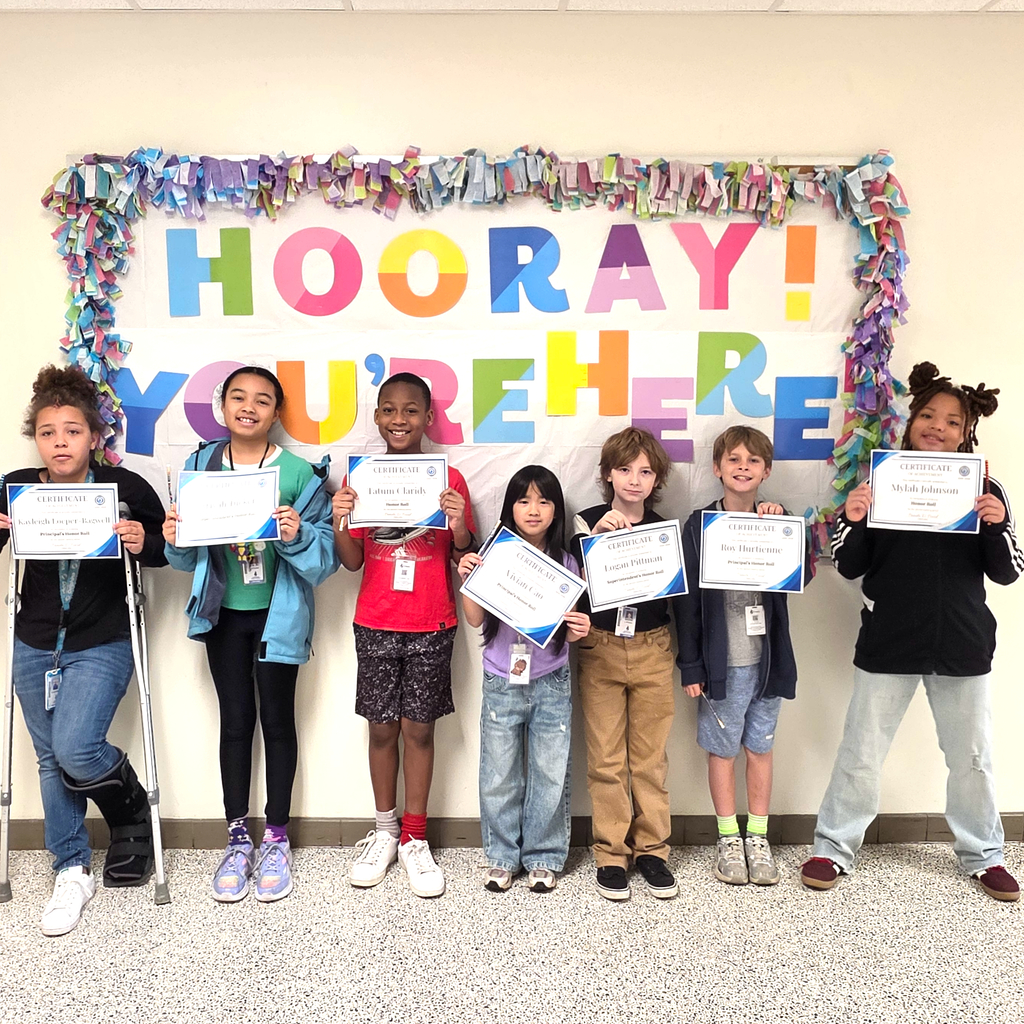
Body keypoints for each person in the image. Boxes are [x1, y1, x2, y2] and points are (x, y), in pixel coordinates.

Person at [801, 362, 1022, 902]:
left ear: (966, 432)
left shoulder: (986, 488)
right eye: (928, 415)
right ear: (910, 421)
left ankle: (984, 854)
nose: (937, 427)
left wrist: (994, 525)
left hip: (963, 642)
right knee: (861, 751)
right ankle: (833, 847)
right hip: (890, 638)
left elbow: (1009, 571)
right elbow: (849, 566)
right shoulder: (880, 481)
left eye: (951, 421)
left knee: (972, 757)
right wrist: (854, 517)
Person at [0, 365, 166, 936]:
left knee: (75, 748)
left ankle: (130, 808)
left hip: (103, 638)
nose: (60, 442)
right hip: (34, 640)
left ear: (94, 437)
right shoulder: (16, 487)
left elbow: (166, 551)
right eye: (48, 432)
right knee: (49, 758)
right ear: (36, 439)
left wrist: (146, 541)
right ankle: (70, 868)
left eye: (72, 431)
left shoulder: (125, 489)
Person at [163, 366, 337, 903]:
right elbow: (184, 556)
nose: (248, 407)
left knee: (277, 721)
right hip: (223, 616)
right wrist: (174, 536)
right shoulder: (199, 464)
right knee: (235, 724)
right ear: (222, 406)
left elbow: (324, 560)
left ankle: (278, 837)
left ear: (275, 413)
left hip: (277, 616)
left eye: (262, 400)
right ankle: (238, 838)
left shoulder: (300, 474)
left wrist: (297, 535)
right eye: (238, 396)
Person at [333, 372, 476, 898]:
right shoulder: (361, 479)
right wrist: (339, 519)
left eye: (411, 410)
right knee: (381, 729)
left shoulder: (450, 479)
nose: (400, 420)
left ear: (428, 418)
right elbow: (351, 563)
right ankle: (386, 830)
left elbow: (462, 552)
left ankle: (416, 838)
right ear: (376, 417)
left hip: (431, 621)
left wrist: (458, 522)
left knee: (419, 729)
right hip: (374, 618)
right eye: (389, 410)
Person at [677, 425, 809, 887]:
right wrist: (691, 664)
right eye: (733, 460)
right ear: (717, 468)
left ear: (766, 471)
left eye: (753, 462)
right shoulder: (698, 525)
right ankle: (728, 838)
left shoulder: (778, 519)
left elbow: (805, 577)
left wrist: (783, 524)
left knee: (760, 747)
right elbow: (687, 602)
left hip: (767, 661)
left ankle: (758, 836)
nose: (743, 468)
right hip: (721, 664)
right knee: (722, 749)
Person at [456, 466, 590, 893]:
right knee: (499, 774)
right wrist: (469, 580)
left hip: (551, 679)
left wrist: (579, 629)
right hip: (501, 679)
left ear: (557, 510)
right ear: (510, 507)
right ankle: (501, 857)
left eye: (544, 501)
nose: (534, 510)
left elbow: (570, 630)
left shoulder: (568, 564)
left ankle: (545, 857)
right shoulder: (492, 555)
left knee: (551, 772)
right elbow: (475, 619)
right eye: (524, 500)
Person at [571, 427, 680, 901]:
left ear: (656, 479)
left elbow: (680, 600)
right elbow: (569, 587)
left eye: (645, 471)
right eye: (624, 469)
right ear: (607, 474)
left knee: (650, 758)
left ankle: (653, 849)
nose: (634, 480)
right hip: (601, 646)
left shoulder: (664, 529)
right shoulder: (584, 522)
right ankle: (611, 853)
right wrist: (593, 542)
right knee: (607, 758)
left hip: (654, 646)